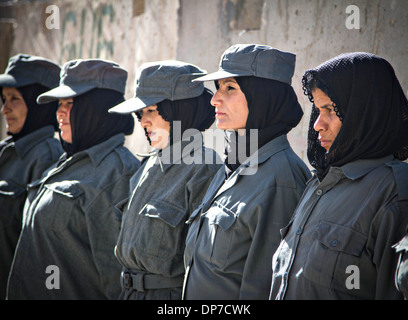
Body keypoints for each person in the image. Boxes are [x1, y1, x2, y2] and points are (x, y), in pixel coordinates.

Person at [269, 52, 408, 300]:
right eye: (317, 109)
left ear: (366, 112)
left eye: (330, 109)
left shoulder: (394, 192)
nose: (317, 124)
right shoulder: (320, 182)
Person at [182, 44, 311, 300]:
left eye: (230, 88)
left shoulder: (280, 179)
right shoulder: (234, 162)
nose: (214, 99)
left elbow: (265, 288)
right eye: (218, 87)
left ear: (262, 97)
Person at [6, 59, 140, 299]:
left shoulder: (118, 174)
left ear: (97, 108)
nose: (60, 112)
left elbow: (118, 280)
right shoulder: (67, 160)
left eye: (70, 103)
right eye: (59, 103)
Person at [109, 60, 221, 300]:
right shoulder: (149, 163)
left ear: (179, 111)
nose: (143, 122)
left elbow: (207, 266)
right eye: (141, 113)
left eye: (152, 110)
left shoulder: (204, 167)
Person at [0, 54, 63, 299]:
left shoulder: (46, 157)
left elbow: (39, 247)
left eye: (15, 98)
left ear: (40, 104)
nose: (5, 109)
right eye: (4, 99)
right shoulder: (7, 150)